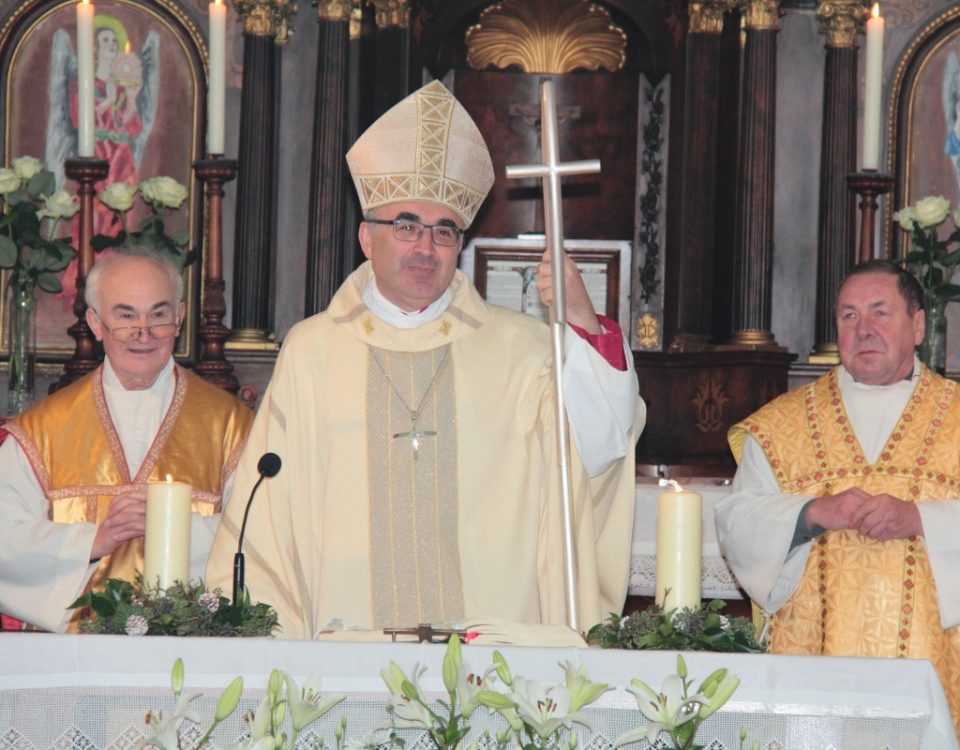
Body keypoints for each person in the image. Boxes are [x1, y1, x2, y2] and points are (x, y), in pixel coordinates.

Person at [206, 80, 645, 640]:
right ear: (367, 238)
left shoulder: (525, 350)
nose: (425, 246)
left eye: (443, 230)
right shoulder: (313, 351)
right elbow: (265, 521)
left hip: (493, 661)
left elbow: (605, 444)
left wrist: (582, 322)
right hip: (348, 658)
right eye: (406, 224)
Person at [716, 259, 960, 730]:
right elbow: (737, 522)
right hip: (812, 663)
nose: (863, 329)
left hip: (936, 658)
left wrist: (922, 519)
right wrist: (810, 513)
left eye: (879, 313)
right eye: (849, 316)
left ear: (918, 325)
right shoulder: (780, 425)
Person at [0, 253, 253, 632]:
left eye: (158, 315)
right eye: (126, 316)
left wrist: (171, 528)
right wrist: (93, 541)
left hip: (194, 646)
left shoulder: (233, 427)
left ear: (180, 317)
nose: (143, 333)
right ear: (95, 324)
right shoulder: (41, 432)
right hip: (73, 656)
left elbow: (264, 532)